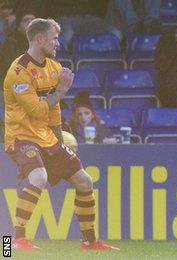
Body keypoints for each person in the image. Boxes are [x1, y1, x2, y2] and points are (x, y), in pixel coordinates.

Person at [3, 18, 118, 250]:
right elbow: (36, 110)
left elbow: (54, 110)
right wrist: (62, 90)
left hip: (47, 137)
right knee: (39, 177)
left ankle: (89, 241)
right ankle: (14, 240)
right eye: (54, 38)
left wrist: (57, 138)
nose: (58, 43)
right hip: (20, 136)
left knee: (85, 181)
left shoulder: (54, 68)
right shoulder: (18, 71)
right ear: (39, 39)